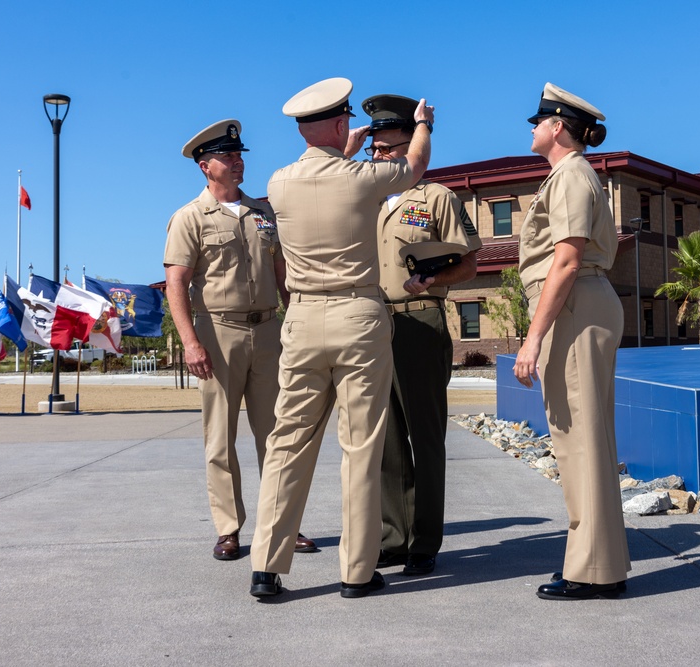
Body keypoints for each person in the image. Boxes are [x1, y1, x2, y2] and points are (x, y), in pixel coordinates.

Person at [249, 78, 434, 599]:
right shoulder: (361, 179)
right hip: (358, 314)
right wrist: (421, 124)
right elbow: (413, 167)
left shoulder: (280, 182)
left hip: (303, 319)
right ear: (340, 123)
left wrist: (334, 146)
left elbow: (323, 168)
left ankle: (266, 566)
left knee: (288, 442)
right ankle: (357, 571)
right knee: (360, 445)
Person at [163, 119, 316, 562]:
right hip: (218, 332)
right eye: (228, 156)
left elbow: (284, 275)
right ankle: (229, 529)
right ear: (204, 166)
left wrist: (296, 322)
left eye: (239, 154)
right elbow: (177, 285)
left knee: (278, 434)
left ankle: (283, 525)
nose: (238, 160)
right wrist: (191, 343)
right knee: (220, 439)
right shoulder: (189, 217)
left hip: (269, 331)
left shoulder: (263, 214)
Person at [512, 83, 631, 600]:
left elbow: (566, 259)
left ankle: (594, 570)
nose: (533, 128)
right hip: (579, 305)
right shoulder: (571, 176)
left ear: (558, 126)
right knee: (580, 440)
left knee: (580, 440)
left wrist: (532, 339)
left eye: (538, 121)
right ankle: (596, 562)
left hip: (576, 306)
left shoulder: (570, 176)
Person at [362, 94, 481, 576]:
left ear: (409, 148)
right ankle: (393, 536)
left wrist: (435, 280)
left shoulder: (436, 197)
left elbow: (469, 264)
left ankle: (425, 541)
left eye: (387, 150)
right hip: (371, 323)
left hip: (420, 320)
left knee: (424, 435)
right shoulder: (362, 198)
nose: (377, 159)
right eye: (372, 151)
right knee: (384, 438)